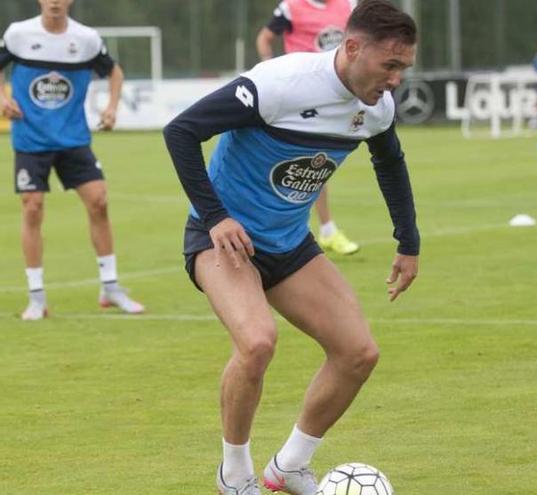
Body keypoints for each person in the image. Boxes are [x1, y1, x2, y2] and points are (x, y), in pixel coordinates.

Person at [163, 1, 419, 493]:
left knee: (358, 353)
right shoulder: (280, 83)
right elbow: (181, 131)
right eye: (389, 65)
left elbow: (391, 164)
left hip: (289, 243)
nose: (396, 80)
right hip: (224, 241)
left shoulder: (377, 108)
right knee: (257, 343)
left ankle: (290, 465)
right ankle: (234, 473)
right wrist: (216, 216)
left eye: (403, 68)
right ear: (351, 48)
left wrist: (408, 242)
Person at [0, 0, 144, 320]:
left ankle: (110, 287)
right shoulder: (19, 34)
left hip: (73, 138)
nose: (54, 1)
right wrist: (2, 97)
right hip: (31, 139)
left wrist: (111, 107)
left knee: (99, 201)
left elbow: (115, 72)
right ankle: (36, 297)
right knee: (32, 205)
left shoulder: (87, 39)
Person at [255, 0, 361, 256]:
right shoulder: (291, 7)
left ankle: (319, 230)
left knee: (314, 159)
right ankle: (322, 229)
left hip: (336, 94)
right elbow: (264, 38)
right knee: (307, 158)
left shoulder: (348, 4)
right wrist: (270, 70)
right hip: (300, 94)